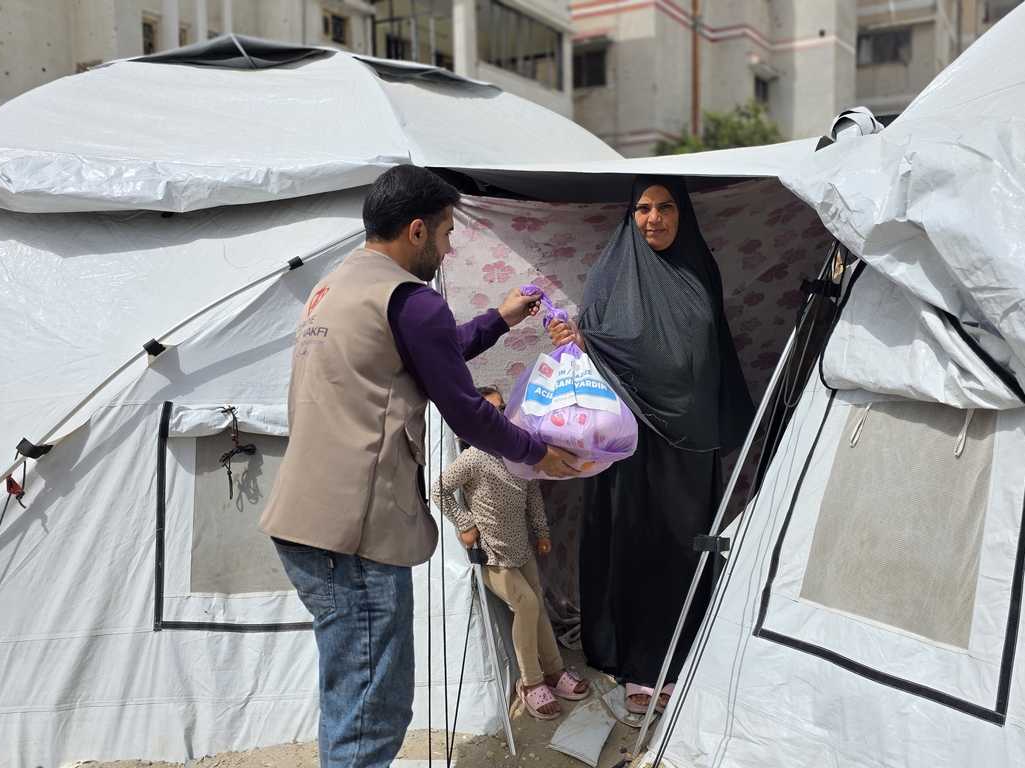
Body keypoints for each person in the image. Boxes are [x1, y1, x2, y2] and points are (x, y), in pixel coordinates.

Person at [260, 165, 580, 768]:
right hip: (354, 534)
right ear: (416, 230)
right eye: (447, 232)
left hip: (303, 524)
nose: (449, 247)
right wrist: (542, 454)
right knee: (373, 709)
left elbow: (433, 352)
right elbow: (466, 412)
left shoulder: (336, 286)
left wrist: (502, 318)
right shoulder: (412, 300)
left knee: (348, 695)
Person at [548, 176, 753, 715]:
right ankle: (637, 665)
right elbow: (596, 346)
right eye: (643, 208)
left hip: (689, 442)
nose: (654, 219)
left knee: (683, 549)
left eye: (665, 207)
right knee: (633, 544)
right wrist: (580, 340)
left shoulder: (700, 270)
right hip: (628, 443)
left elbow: (707, 349)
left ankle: (681, 657)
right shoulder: (610, 274)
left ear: (683, 213)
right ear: (630, 215)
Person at [433, 387, 591, 720]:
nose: (499, 416)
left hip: (521, 547)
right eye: (490, 411)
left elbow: (532, 494)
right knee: (527, 604)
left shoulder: (518, 453)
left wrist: (543, 532)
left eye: (502, 408)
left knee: (538, 605)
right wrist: (464, 523)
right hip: (493, 553)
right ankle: (531, 682)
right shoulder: (475, 457)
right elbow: (439, 489)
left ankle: (554, 670)